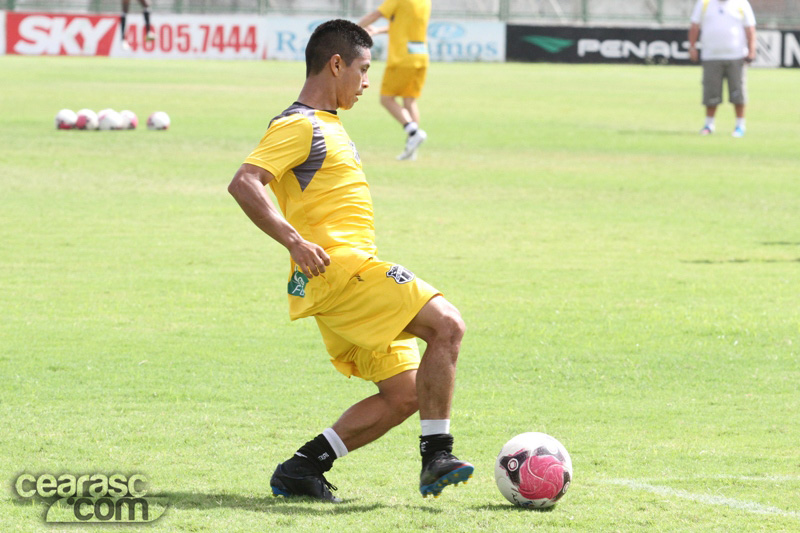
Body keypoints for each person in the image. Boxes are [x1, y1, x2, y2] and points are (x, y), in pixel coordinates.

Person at [227, 19, 473, 503]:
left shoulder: (329, 124)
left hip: (339, 278)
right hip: (342, 271)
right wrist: (294, 241)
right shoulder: (299, 125)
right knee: (447, 324)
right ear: (336, 64)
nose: (366, 82)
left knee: (406, 393)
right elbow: (244, 182)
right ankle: (437, 454)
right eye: (362, 69)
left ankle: (302, 468)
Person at [358, 0, 431, 160]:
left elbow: (376, 14)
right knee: (409, 100)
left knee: (386, 99)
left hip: (402, 59)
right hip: (421, 56)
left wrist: (354, 29)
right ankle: (412, 148)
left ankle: (413, 132)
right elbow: (402, 26)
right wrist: (378, 30)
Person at [688, 0, 756, 137]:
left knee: (738, 92)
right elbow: (695, 26)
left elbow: (750, 28)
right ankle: (709, 124)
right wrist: (692, 47)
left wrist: (751, 50)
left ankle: (740, 126)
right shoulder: (704, 3)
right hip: (711, 56)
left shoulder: (741, 3)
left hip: (736, 56)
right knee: (711, 92)